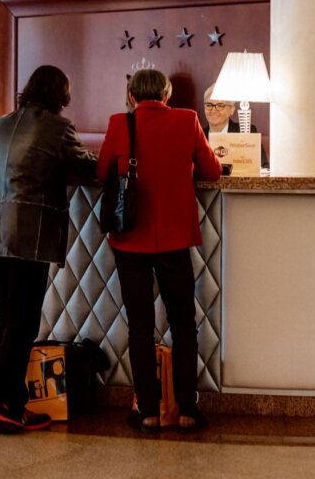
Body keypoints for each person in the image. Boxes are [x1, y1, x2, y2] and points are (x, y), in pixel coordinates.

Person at [0, 65, 96, 434]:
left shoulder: (4, 124)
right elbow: (85, 167)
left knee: (6, 316)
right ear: (60, 93)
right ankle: (10, 403)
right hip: (29, 236)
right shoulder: (58, 128)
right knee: (22, 322)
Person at [98, 69, 222, 434]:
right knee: (184, 324)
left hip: (130, 238)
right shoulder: (187, 120)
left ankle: (148, 411)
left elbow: (103, 169)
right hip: (174, 237)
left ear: (132, 96)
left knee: (140, 326)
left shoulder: (120, 123)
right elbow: (212, 171)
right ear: (167, 95)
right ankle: (186, 409)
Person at [200, 85, 269, 169]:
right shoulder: (198, 136)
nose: (213, 110)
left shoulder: (247, 132)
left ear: (232, 110)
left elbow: (264, 167)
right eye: (208, 105)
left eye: (220, 105)